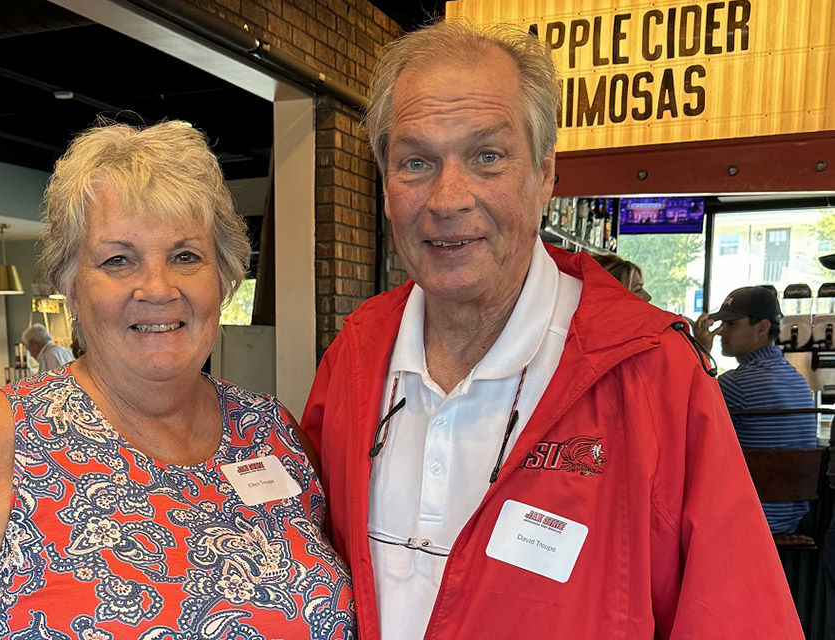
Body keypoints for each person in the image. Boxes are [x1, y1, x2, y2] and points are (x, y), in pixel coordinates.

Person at [301, 19, 801, 639]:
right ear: (385, 187)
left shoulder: (652, 373)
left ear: (544, 175)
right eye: (416, 162)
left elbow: (737, 618)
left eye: (488, 157)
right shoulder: (355, 354)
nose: (447, 199)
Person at [0, 121, 355, 639]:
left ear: (225, 277)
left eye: (185, 256)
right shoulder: (1, 436)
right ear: (72, 289)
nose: (158, 288)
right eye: (118, 260)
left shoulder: (273, 432)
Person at [694, 286, 818, 533]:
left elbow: (682, 413)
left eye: (731, 324)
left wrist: (699, 352)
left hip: (745, 520)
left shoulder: (735, 385)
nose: (721, 331)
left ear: (761, 327)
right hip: (793, 519)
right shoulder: (799, 381)